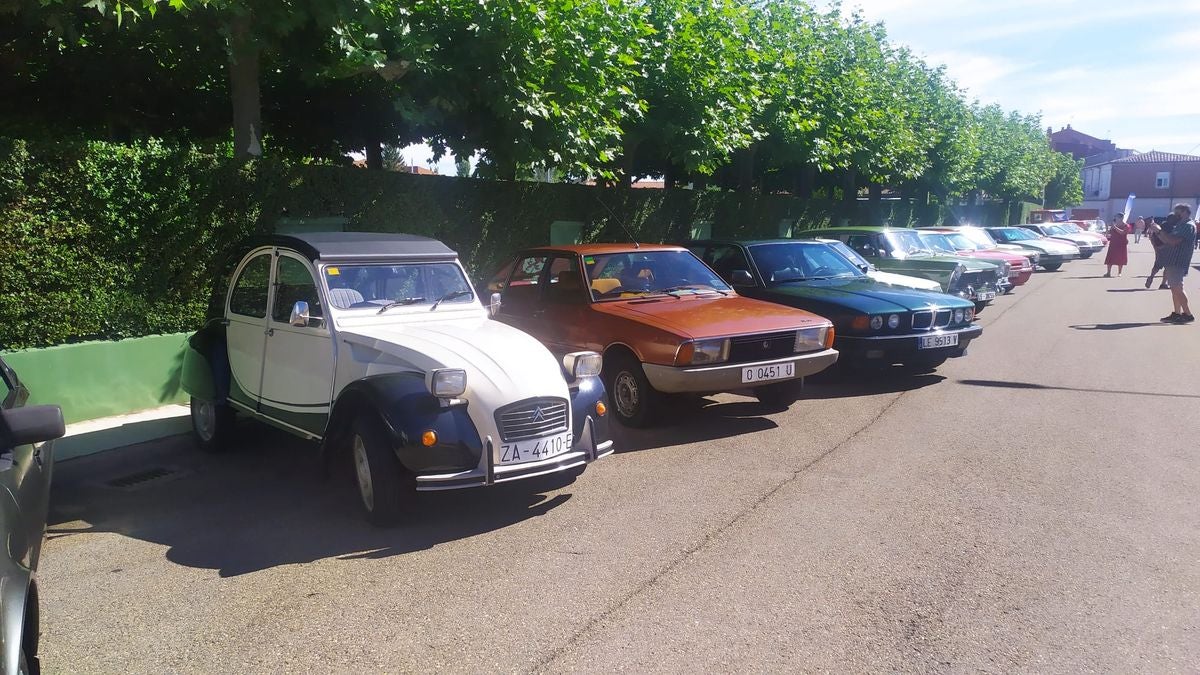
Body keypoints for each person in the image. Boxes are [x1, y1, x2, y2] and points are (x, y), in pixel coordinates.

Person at [1149, 203, 1196, 323]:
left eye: (1177, 212)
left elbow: (1173, 241)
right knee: (1175, 289)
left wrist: (1159, 231)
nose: (1175, 215)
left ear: (1185, 212)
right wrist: (1156, 235)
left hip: (1177, 261)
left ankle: (1187, 314)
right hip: (1172, 260)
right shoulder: (1181, 225)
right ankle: (1177, 313)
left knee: (1177, 288)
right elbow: (1167, 240)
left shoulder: (1187, 226)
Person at [1145, 214, 1175, 289]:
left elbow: (1152, 237)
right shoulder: (1171, 227)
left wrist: (1155, 247)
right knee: (1168, 267)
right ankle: (1163, 283)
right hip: (1167, 249)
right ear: (1171, 219)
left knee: (1157, 265)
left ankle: (1151, 277)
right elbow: (1169, 238)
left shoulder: (1160, 225)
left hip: (1159, 248)